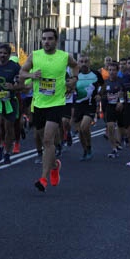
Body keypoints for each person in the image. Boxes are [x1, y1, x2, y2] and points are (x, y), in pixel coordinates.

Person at [18, 28, 78, 192]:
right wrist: (32, 76)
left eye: (50, 39)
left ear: (56, 41)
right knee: (40, 136)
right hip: (38, 104)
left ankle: (43, 179)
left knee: (47, 140)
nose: (46, 42)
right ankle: (54, 166)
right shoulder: (34, 55)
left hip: (57, 103)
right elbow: (21, 73)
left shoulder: (64, 56)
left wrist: (74, 79)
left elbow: (75, 66)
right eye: (44, 39)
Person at [0, 43, 22, 163]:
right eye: (0, 53)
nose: (2, 55)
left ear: (9, 55)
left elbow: (20, 82)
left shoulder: (15, 67)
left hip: (9, 101)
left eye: (5, 53)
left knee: (9, 128)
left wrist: (13, 86)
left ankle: (7, 152)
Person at [71, 54, 104, 161]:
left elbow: (103, 85)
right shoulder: (76, 75)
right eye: (81, 61)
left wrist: (100, 94)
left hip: (90, 105)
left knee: (84, 127)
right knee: (80, 131)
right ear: (78, 63)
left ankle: (89, 148)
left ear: (89, 63)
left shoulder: (96, 74)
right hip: (78, 105)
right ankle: (85, 150)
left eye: (86, 61)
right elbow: (69, 86)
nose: (84, 64)